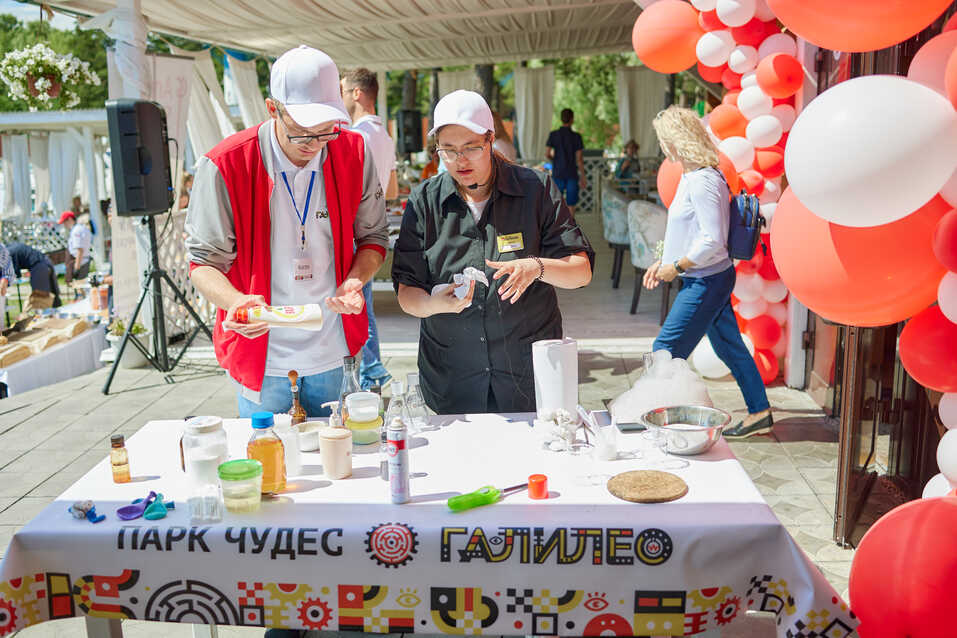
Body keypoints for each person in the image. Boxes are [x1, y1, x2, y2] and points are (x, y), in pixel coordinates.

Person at [185, 45, 388, 419]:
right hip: (262, 359)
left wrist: (356, 280)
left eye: (325, 132)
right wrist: (236, 302)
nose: (313, 146)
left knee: (342, 462)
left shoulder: (353, 151)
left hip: (334, 350)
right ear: (272, 108)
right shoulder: (225, 164)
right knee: (270, 465)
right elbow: (202, 263)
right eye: (300, 134)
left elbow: (374, 238)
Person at [392, 90, 595, 414]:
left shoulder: (535, 190)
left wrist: (537, 267)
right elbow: (406, 292)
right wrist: (433, 303)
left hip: (528, 376)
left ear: (490, 140)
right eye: (448, 150)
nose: (460, 160)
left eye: (471, 147)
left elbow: (580, 272)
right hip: (452, 378)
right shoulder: (424, 201)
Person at [644, 106, 772, 438]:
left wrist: (677, 265)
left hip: (706, 280)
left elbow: (712, 239)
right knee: (730, 347)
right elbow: (692, 232)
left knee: (666, 350)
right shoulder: (694, 175)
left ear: (676, 141)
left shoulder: (702, 180)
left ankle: (661, 418)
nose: (663, 148)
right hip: (706, 277)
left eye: (664, 140)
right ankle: (760, 411)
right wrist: (664, 262)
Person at [340, 67, 396, 389]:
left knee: (358, 303)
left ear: (358, 94)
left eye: (345, 91)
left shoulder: (357, 136)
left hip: (354, 230)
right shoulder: (384, 136)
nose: (343, 98)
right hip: (375, 224)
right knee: (365, 303)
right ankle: (372, 369)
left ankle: (371, 369)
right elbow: (389, 190)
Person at [545, 108, 587, 215]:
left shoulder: (554, 134)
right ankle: (570, 229)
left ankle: (557, 229)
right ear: (572, 119)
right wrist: (583, 176)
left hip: (558, 172)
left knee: (557, 203)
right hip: (571, 173)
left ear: (561, 119)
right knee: (571, 204)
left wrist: (556, 161)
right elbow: (579, 159)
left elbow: (547, 154)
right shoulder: (576, 137)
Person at [3, 241, 61, 312]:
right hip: (46, 261)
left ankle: (48, 318)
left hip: (39, 267)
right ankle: (57, 314)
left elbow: (11, 274)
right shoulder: (10, 247)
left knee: (40, 299)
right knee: (52, 294)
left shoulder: (7, 253)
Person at [57, 210, 92, 284]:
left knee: (79, 286)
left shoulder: (76, 231)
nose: (64, 224)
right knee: (81, 286)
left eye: (64, 222)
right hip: (83, 260)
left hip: (80, 262)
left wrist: (76, 267)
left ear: (69, 219)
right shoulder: (81, 228)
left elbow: (80, 250)